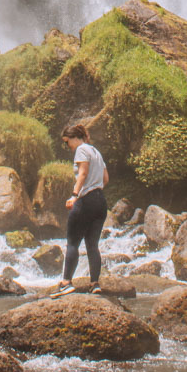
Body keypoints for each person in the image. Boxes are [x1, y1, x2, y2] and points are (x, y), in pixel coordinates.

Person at [51, 121, 109, 297]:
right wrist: (95, 190)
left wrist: (74, 195)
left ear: (74, 138)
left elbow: (83, 173)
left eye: (66, 142)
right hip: (100, 201)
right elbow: (105, 178)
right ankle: (95, 284)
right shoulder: (96, 152)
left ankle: (66, 283)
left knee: (72, 242)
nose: (67, 146)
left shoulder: (81, 150)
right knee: (92, 245)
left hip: (85, 201)